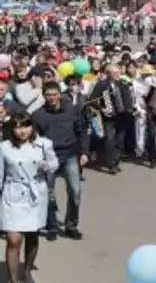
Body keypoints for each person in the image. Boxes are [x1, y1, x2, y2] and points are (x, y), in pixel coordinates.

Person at [0, 113, 59, 283]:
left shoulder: (43, 144)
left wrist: (46, 165)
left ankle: (26, 270)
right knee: (13, 239)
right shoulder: (4, 147)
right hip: (13, 195)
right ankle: (13, 280)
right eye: (17, 127)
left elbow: (54, 164)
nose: (22, 130)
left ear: (32, 126)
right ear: (12, 129)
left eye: (25, 125)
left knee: (32, 237)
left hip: (35, 196)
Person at [32, 81, 89, 241]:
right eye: (48, 95)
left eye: (54, 94)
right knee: (48, 193)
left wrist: (84, 152)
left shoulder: (72, 110)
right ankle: (51, 226)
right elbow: (34, 140)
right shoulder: (38, 115)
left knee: (75, 192)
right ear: (44, 96)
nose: (52, 98)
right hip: (48, 158)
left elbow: (82, 131)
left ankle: (71, 225)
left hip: (70, 155)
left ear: (59, 94)